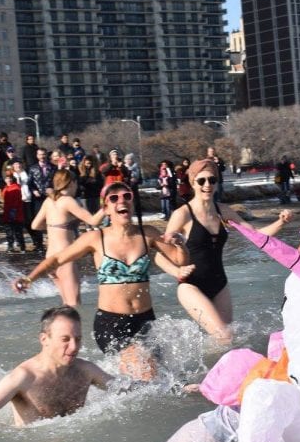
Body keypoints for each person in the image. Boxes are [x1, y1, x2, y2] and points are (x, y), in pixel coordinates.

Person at [12, 181, 189, 380]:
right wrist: (29, 278)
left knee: (167, 379)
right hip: (112, 324)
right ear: (105, 209)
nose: (121, 200)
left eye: (127, 196)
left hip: (146, 320)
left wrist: (181, 245)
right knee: (147, 374)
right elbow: (57, 259)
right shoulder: (95, 238)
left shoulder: (148, 233)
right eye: (114, 198)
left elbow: (179, 260)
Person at [155, 159, 293, 345]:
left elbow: (257, 235)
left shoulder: (223, 211)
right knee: (224, 336)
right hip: (190, 285)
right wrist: (177, 271)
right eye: (201, 181)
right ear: (193, 182)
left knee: (228, 341)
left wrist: (281, 222)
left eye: (212, 180)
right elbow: (159, 256)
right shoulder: (182, 214)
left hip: (220, 284)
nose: (207, 185)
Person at [0, 306, 115, 442]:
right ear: (44, 339)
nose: (74, 346)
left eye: (78, 339)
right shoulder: (24, 377)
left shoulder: (86, 370)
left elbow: (123, 389)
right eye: (65, 339)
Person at [31, 169, 105, 306]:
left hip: (50, 258)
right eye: (76, 183)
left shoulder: (49, 201)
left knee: (66, 304)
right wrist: (106, 207)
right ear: (71, 183)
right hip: (65, 258)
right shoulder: (68, 201)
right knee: (74, 304)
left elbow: (35, 225)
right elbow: (93, 221)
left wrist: (54, 227)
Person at [27, 147, 55, 253]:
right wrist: (33, 190)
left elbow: (56, 181)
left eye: (43, 154)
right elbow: (29, 183)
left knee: (51, 219)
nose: (42, 156)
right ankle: (39, 244)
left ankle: (52, 241)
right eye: (40, 154)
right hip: (38, 198)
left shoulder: (53, 167)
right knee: (38, 219)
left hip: (50, 197)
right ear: (37, 156)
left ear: (46, 155)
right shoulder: (32, 168)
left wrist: (52, 189)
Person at [0, 170, 26, 253]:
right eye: (7, 178)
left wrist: (13, 211)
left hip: (15, 212)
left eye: (10, 178)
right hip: (7, 212)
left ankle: (22, 247)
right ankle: (11, 246)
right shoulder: (5, 188)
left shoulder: (16, 187)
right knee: (9, 231)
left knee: (18, 231)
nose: (8, 180)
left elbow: (17, 201)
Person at [124, 152, 143, 224]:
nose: (128, 160)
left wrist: (136, 180)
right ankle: (128, 220)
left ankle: (140, 222)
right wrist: (129, 180)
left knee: (137, 205)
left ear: (132, 160)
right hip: (126, 189)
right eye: (127, 159)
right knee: (127, 205)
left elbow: (141, 180)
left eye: (130, 159)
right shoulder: (123, 168)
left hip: (134, 189)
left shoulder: (137, 168)